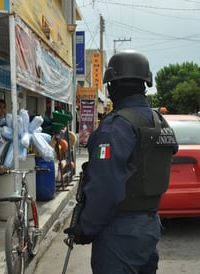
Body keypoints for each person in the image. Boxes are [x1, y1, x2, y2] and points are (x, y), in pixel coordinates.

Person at [64, 50, 178, 273]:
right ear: (145, 83)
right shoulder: (159, 121)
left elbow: (106, 189)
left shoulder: (115, 126)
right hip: (149, 226)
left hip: (120, 231)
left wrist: (86, 228)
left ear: (112, 87)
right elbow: (170, 150)